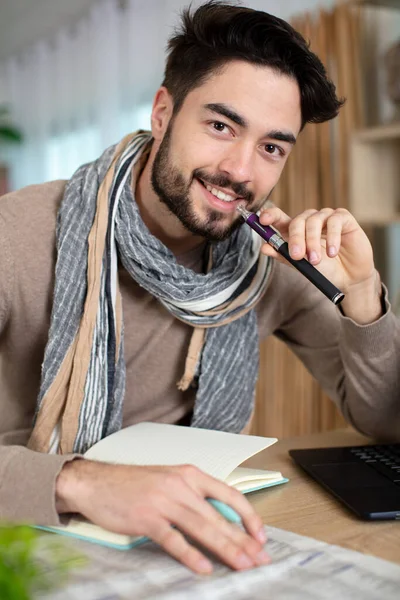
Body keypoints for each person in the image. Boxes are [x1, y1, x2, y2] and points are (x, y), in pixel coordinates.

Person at [0, 0, 399, 576]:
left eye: (271, 147)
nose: (240, 170)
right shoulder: (18, 234)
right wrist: (81, 482)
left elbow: (387, 421)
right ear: (163, 112)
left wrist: (362, 295)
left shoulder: (269, 262)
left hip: (187, 550)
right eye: (220, 126)